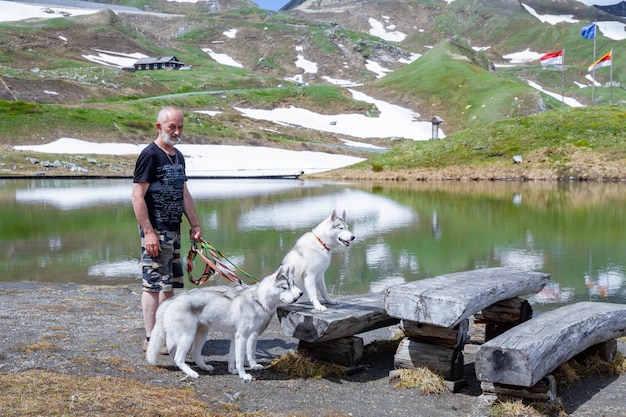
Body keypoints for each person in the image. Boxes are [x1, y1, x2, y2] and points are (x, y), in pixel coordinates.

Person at [131, 106, 204, 352]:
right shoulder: (149, 155)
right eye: (172, 126)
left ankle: (166, 334)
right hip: (156, 231)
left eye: (180, 127)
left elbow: (184, 193)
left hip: (174, 230)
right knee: (152, 285)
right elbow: (137, 196)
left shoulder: (178, 155)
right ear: (159, 126)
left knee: (170, 285)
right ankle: (151, 338)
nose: (177, 131)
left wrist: (194, 223)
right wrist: (149, 232)